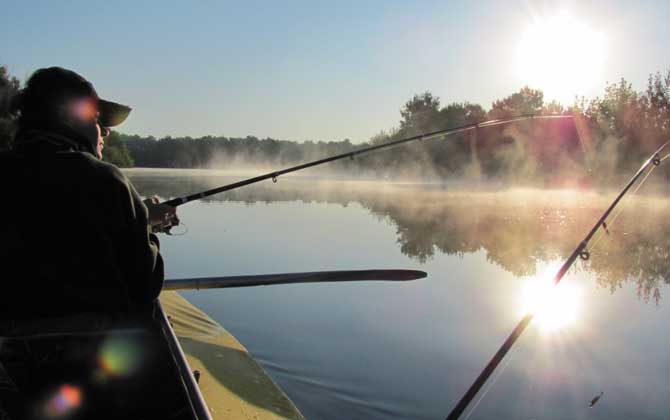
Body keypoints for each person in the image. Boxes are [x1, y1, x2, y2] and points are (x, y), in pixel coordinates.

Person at [0, 67, 176, 318]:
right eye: (96, 120)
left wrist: (139, 216)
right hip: (89, 348)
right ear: (69, 118)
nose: (105, 132)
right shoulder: (107, 180)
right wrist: (143, 225)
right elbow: (145, 284)